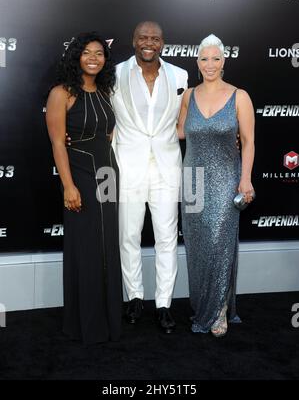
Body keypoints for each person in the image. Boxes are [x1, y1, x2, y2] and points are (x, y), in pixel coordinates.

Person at [111, 21, 188, 333]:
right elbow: (105, 117)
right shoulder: (114, 74)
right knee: (127, 235)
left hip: (167, 167)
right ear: (133, 40)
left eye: (155, 38)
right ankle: (134, 298)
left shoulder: (180, 75)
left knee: (167, 239)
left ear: (163, 43)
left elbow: (186, 121)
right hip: (128, 165)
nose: (149, 43)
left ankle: (164, 303)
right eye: (143, 37)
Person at [46, 32, 122, 345]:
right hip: (80, 176)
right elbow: (56, 143)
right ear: (76, 56)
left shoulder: (105, 91)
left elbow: (107, 135)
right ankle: (85, 324)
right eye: (87, 52)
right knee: (87, 248)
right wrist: (68, 186)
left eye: (100, 53)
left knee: (107, 246)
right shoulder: (61, 93)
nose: (94, 58)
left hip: (107, 174)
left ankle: (108, 320)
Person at [178, 34, 255, 337]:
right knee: (197, 246)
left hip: (226, 178)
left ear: (224, 61)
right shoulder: (188, 96)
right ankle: (202, 306)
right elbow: (180, 132)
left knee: (219, 244)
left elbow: (248, 142)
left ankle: (219, 309)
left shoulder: (240, 97)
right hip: (193, 179)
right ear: (197, 63)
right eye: (204, 59)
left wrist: (245, 178)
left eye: (215, 58)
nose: (209, 64)